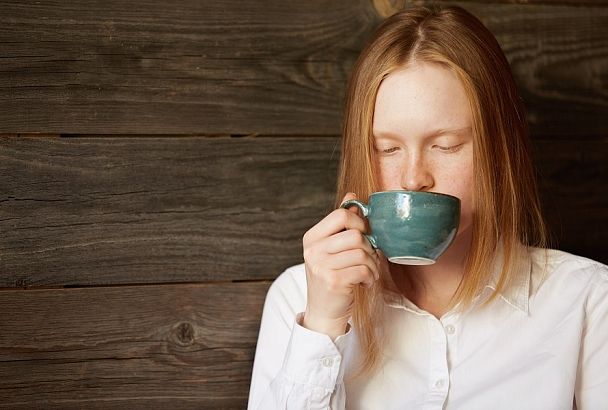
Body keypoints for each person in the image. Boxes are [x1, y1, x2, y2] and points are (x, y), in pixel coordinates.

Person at [248, 5, 608, 409]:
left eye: (446, 145)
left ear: (499, 150)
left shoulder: (589, 300)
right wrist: (323, 328)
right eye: (387, 148)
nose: (413, 177)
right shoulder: (298, 300)